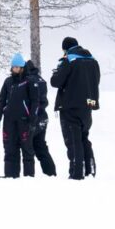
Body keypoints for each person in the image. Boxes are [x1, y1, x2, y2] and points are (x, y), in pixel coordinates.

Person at [50, 36, 100, 180]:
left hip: (70, 105)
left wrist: (56, 71)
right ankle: (89, 170)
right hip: (88, 105)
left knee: (73, 140)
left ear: (65, 49)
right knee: (84, 138)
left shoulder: (69, 60)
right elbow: (96, 80)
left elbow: (56, 82)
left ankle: (77, 173)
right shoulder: (93, 60)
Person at [0, 52, 39, 178]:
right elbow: (2, 101)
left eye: (17, 67)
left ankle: (28, 177)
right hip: (9, 122)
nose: (15, 69)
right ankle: (10, 176)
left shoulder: (29, 81)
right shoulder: (8, 82)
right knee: (9, 149)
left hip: (24, 121)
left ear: (22, 68)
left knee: (27, 150)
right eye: (13, 67)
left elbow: (35, 102)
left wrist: (32, 121)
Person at [24, 58, 57, 176]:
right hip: (43, 117)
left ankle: (29, 174)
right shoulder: (41, 80)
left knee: (28, 147)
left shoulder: (29, 81)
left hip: (34, 117)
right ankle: (51, 172)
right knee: (41, 146)